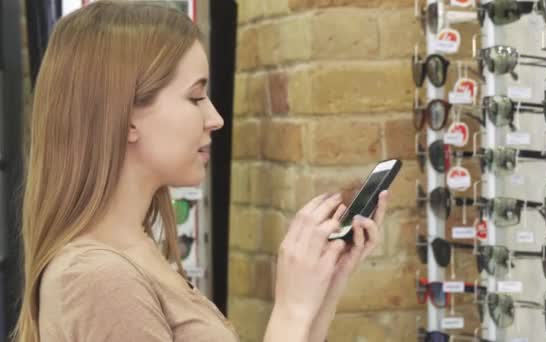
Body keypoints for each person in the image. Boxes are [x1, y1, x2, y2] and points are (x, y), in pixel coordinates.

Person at [11, 1, 390, 342]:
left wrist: (324, 289)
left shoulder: (135, 252)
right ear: (126, 117)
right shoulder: (97, 282)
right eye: (195, 97)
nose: (215, 118)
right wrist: (290, 311)